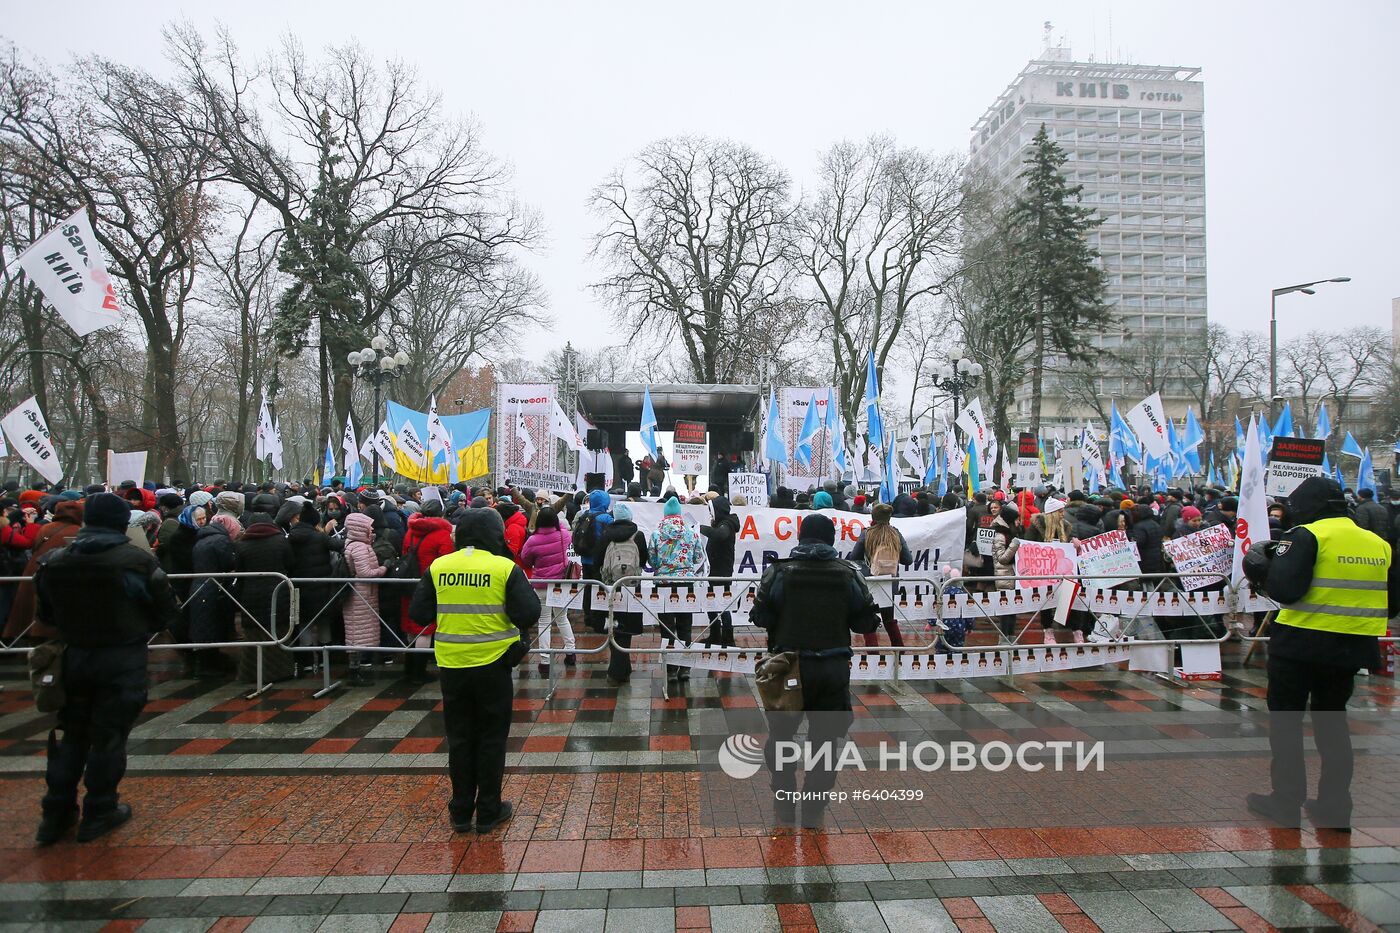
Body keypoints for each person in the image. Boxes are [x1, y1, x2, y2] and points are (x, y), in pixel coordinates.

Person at [1244, 476, 1398, 831]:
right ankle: (1335, 807)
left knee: (1287, 724)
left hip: (1300, 644)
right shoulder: (1379, 543)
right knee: (1333, 726)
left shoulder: (1307, 535)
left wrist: (1265, 571)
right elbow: (1392, 604)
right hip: (1351, 648)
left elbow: (1286, 589)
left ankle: (1286, 802)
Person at [33, 493, 179, 845]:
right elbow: (166, 609)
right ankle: (99, 809)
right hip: (120, 656)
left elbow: (46, 613)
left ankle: (56, 812)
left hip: (75, 654)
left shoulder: (55, 561)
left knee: (73, 734)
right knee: (109, 736)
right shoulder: (136, 561)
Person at [408, 507, 540, 833]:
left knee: (460, 739)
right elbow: (528, 613)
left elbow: (419, 612)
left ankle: (461, 810)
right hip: (494, 663)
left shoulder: (441, 567)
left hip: (452, 665)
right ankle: (489, 810)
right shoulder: (503, 568)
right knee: (492, 739)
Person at [751, 513, 879, 826]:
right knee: (826, 741)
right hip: (832, 668)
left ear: (800, 537)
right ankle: (813, 806)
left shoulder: (778, 571)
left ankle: (784, 798)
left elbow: (760, 617)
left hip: (789, 667)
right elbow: (865, 621)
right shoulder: (848, 573)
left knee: (781, 737)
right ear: (832, 539)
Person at [398, 499, 455, 684]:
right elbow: (447, 562)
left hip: (408, 583)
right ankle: (419, 672)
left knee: (410, 625)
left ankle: (408, 668)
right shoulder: (442, 534)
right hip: (429, 584)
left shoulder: (411, 531)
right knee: (426, 629)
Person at [649, 496, 704, 682]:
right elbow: (698, 558)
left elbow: (652, 561)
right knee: (685, 625)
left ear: (665, 514)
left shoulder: (656, 533)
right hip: (686, 583)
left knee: (667, 626)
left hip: (664, 583)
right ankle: (685, 668)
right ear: (679, 514)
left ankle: (670, 668)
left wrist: (663, 567)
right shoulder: (691, 533)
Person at [519, 507, 576, 673]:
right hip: (561, 585)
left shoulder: (532, 540)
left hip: (541, 585)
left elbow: (525, 559)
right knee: (562, 618)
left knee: (544, 622)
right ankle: (571, 652)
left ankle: (545, 661)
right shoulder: (563, 535)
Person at [849, 503, 912, 648]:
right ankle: (899, 655)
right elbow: (908, 560)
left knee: (868, 619)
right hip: (890, 583)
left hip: (870, 582)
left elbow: (854, 557)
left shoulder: (867, 533)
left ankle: (873, 656)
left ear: (873, 517)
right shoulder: (895, 533)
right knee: (889, 620)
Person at [599, 502, 648, 687]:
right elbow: (643, 559)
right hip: (632, 588)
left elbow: (598, 559)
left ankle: (618, 670)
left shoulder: (606, 535)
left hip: (611, 587)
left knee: (613, 625)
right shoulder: (639, 535)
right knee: (627, 628)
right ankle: (621, 669)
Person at [342, 511, 388, 685]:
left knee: (358, 632)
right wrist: (384, 568)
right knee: (357, 633)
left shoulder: (352, 544)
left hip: (361, 594)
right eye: (369, 527)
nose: (372, 530)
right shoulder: (360, 547)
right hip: (360, 595)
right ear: (361, 529)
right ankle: (354, 673)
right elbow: (365, 573)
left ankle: (356, 670)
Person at [699, 495, 740, 646]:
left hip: (721, 571)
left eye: (712, 511)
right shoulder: (722, 523)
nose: (710, 514)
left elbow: (719, 535)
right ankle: (715, 634)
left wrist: (700, 528)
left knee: (723, 605)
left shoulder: (727, 525)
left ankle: (728, 638)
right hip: (713, 570)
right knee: (711, 604)